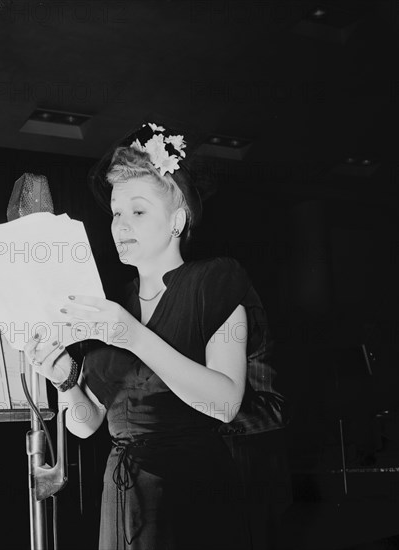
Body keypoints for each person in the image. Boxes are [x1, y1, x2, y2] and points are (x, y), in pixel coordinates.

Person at [24, 120, 287, 550]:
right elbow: (88, 425)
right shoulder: (114, 304)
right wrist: (65, 379)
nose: (121, 224)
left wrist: (133, 336)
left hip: (191, 496)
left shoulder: (213, 282)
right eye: (116, 213)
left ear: (176, 220)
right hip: (123, 496)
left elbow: (224, 404)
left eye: (138, 211)